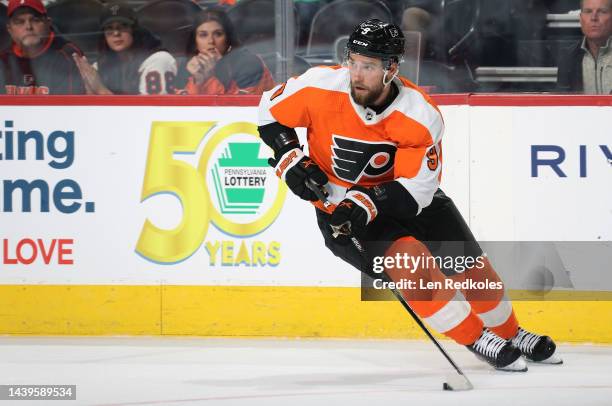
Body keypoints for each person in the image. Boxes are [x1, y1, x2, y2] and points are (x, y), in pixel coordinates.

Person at [258, 19, 563, 371]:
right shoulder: (318, 86)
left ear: (391, 68)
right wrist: (289, 155)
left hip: (408, 200)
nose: (356, 74)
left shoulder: (419, 115)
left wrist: (367, 201)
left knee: (475, 274)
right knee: (413, 265)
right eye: (353, 61)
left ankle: (512, 333)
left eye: (368, 66)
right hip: (342, 214)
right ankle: (479, 339)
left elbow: (414, 189)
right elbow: (268, 111)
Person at [72, 1, 177, 95]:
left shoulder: (159, 60)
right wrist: (89, 89)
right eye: (109, 28)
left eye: (122, 26)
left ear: (134, 30)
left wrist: (100, 90)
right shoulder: (101, 65)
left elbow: (147, 112)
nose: (116, 33)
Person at [175, 8, 274, 95]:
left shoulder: (249, 63)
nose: (211, 41)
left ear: (228, 39)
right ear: (195, 42)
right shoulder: (187, 67)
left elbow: (236, 110)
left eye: (218, 34)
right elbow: (183, 110)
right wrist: (198, 82)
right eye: (203, 35)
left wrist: (211, 77)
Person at [0, 0, 85, 95]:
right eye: (20, 22)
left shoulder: (68, 55)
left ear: (48, 23)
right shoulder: (3, 58)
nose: (28, 26)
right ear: (10, 29)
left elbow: (69, 107)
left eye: (35, 20)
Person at [557, 0, 612, 94]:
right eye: (588, 11)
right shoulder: (568, 58)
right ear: (581, 19)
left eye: (602, 11)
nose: (594, 17)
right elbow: (563, 104)